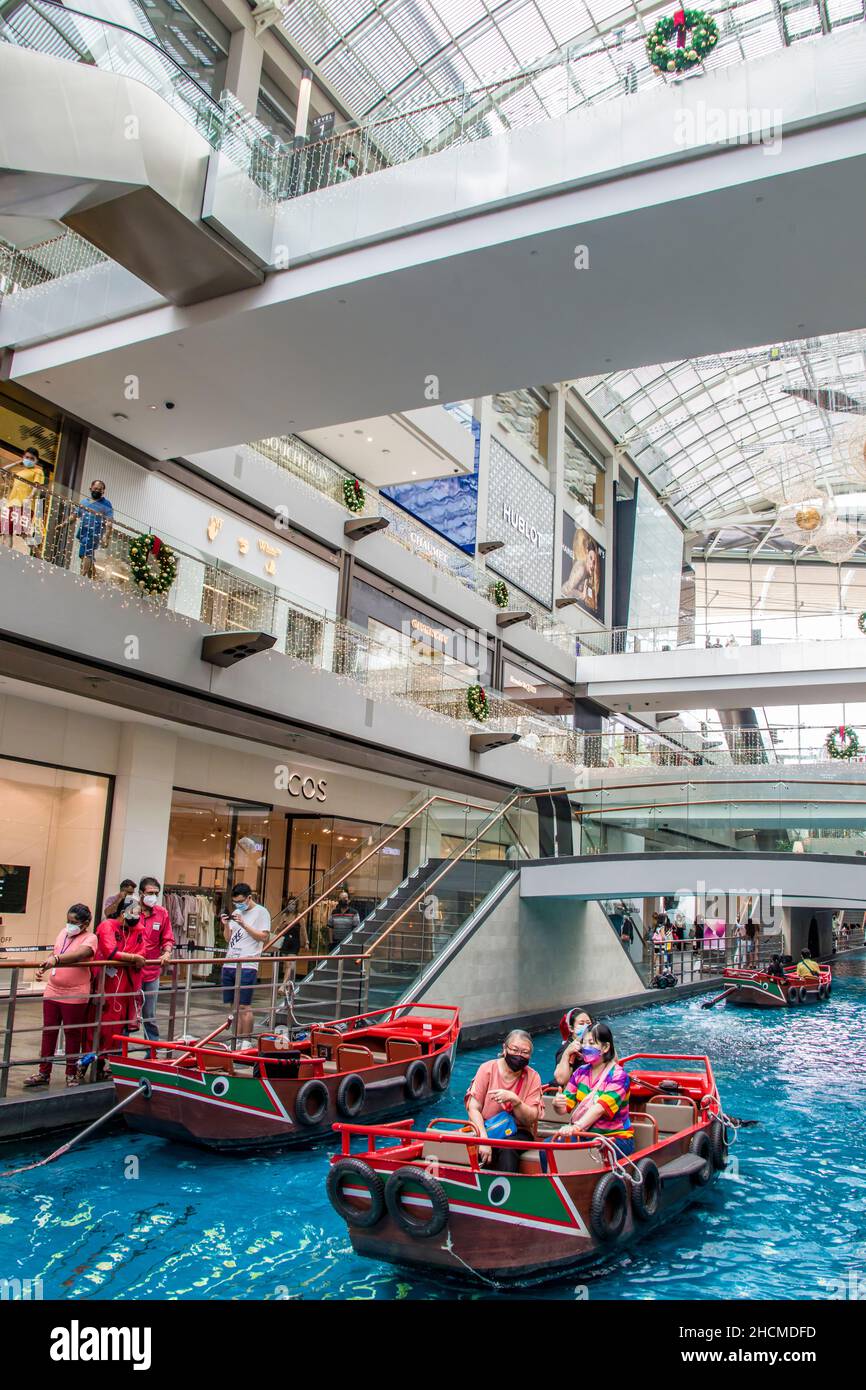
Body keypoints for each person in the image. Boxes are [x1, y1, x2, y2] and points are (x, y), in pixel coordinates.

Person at [23, 904, 98, 1088]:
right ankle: (43, 1072)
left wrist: (55, 960)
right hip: (53, 990)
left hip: (75, 994)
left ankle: (71, 1073)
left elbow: (78, 955)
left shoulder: (90, 938)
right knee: (49, 1032)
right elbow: (57, 951)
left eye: (74, 922)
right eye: (68, 921)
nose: (69, 925)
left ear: (85, 923)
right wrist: (46, 964)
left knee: (72, 1033)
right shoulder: (63, 933)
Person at [465, 1029, 544, 1174]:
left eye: (525, 1052)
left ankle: (508, 1189)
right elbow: (473, 1107)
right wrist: (483, 1139)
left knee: (507, 1148)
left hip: (518, 1131)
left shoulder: (533, 1077)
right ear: (505, 1048)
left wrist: (516, 1101)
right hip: (487, 1128)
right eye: (515, 1050)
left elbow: (531, 1118)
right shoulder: (487, 1069)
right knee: (469, 1147)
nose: (519, 1056)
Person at [552, 1022, 634, 1156]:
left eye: (591, 1043)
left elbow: (600, 1108)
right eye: (584, 1043)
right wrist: (557, 1104)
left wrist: (576, 1127)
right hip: (584, 1134)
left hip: (615, 1138)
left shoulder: (619, 1076)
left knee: (584, 1155)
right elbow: (564, 1108)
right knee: (548, 1150)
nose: (586, 1047)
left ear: (606, 1047)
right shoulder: (580, 1072)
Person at [90, 900, 147, 1079]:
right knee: (100, 1024)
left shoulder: (138, 930)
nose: (137, 916)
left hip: (126, 986)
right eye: (134, 912)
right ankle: (93, 1064)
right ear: (123, 912)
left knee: (118, 1025)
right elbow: (110, 952)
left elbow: (143, 952)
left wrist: (134, 958)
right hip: (105, 983)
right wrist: (134, 957)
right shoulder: (107, 926)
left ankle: (111, 1064)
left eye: (139, 913)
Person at [221, 883, 271, 1045]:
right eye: (235, 902)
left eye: (241, 901)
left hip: (248, 964)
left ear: (249, 897)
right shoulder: (236, 912)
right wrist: (226, 925)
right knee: (233, 1007)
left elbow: (264, 937)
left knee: (244, 1006)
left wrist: (244, 924)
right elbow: (228, 939)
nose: (238, 905)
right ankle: (235, 1040)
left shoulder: (261, 912)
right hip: (230, 962)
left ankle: (246, 1041)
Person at [137, 876, 174, 1042]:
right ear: (141, 893)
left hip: (152, 971)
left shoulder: (162, 913)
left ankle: (151, 1048)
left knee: (149, 1013)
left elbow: (167, 938)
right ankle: (119, 1049)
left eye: (156, 893)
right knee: (128, 1012)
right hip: (133, 970)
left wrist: (167, 952)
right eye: (149, 893)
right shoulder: (132, 912)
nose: (153, 896)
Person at [1, 446, 44, 549]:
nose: (28, 460)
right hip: (11, 504)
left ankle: (38, 557)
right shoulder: (19, 473)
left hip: (24, 505)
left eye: (32, 458)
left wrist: (30, 496)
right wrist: (17, 463)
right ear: (23, 457)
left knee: (24, 533)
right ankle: (7, 555)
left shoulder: (37, 471)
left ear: (36, 460)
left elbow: (36, 485)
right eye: (27, 457)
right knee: (7, 531)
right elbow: (3, 471)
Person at [76, 479, 113, 578]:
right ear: (90, 488)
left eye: (100, 489)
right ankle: (93, 578)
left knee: (87, 554)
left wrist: (107, 537)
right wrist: (63, 524)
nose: (97, 491)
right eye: (95, 488)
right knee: (83, 555)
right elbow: (75, 514)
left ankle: (81, 576)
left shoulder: (106, 504)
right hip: (83, 532)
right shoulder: (84, 502)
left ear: (103, 492)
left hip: (94, 533)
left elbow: (109, 521)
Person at [552, 1008, 593, 1087]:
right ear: (571, 1028)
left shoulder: (594, 1045)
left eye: (588, 1023)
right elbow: (561, 1080)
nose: (586, 1026)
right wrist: (567, 1053)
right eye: (581, 1024)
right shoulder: (565, 1049)